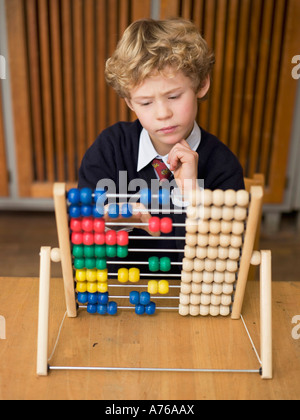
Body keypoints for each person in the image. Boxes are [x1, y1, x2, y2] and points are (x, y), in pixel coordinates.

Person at [78, 18, 244, 274]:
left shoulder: (223, 167)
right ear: (130, 102)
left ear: (201, 85)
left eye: (174, 96)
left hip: (192, 300)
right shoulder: (110, 149)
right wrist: (109, 219)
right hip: (121, 299)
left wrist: (189, 194)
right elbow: (80, 231)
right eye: (145, 103)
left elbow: (223, 260)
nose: (162, 113)